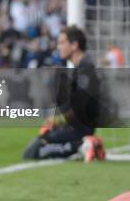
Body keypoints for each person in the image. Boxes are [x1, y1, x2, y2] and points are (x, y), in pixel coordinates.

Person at [23, 25, 105, 162]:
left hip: (79, 128)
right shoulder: (81, 67)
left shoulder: (85, 69)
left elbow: (80, 107)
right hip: (75, 126)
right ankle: (86, 145)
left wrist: (56, 120)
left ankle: (82, 145)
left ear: (74, 45)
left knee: (34, 152)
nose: (58, 47)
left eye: (62, 43)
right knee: (41, 140)